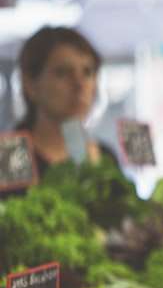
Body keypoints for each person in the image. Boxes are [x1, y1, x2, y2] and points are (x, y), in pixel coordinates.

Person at [3, 26, 117, 196]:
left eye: (87, 72)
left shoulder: (105, 158)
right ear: (30, 84)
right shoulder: (10, 155)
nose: (79, 84)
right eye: (62, 73)